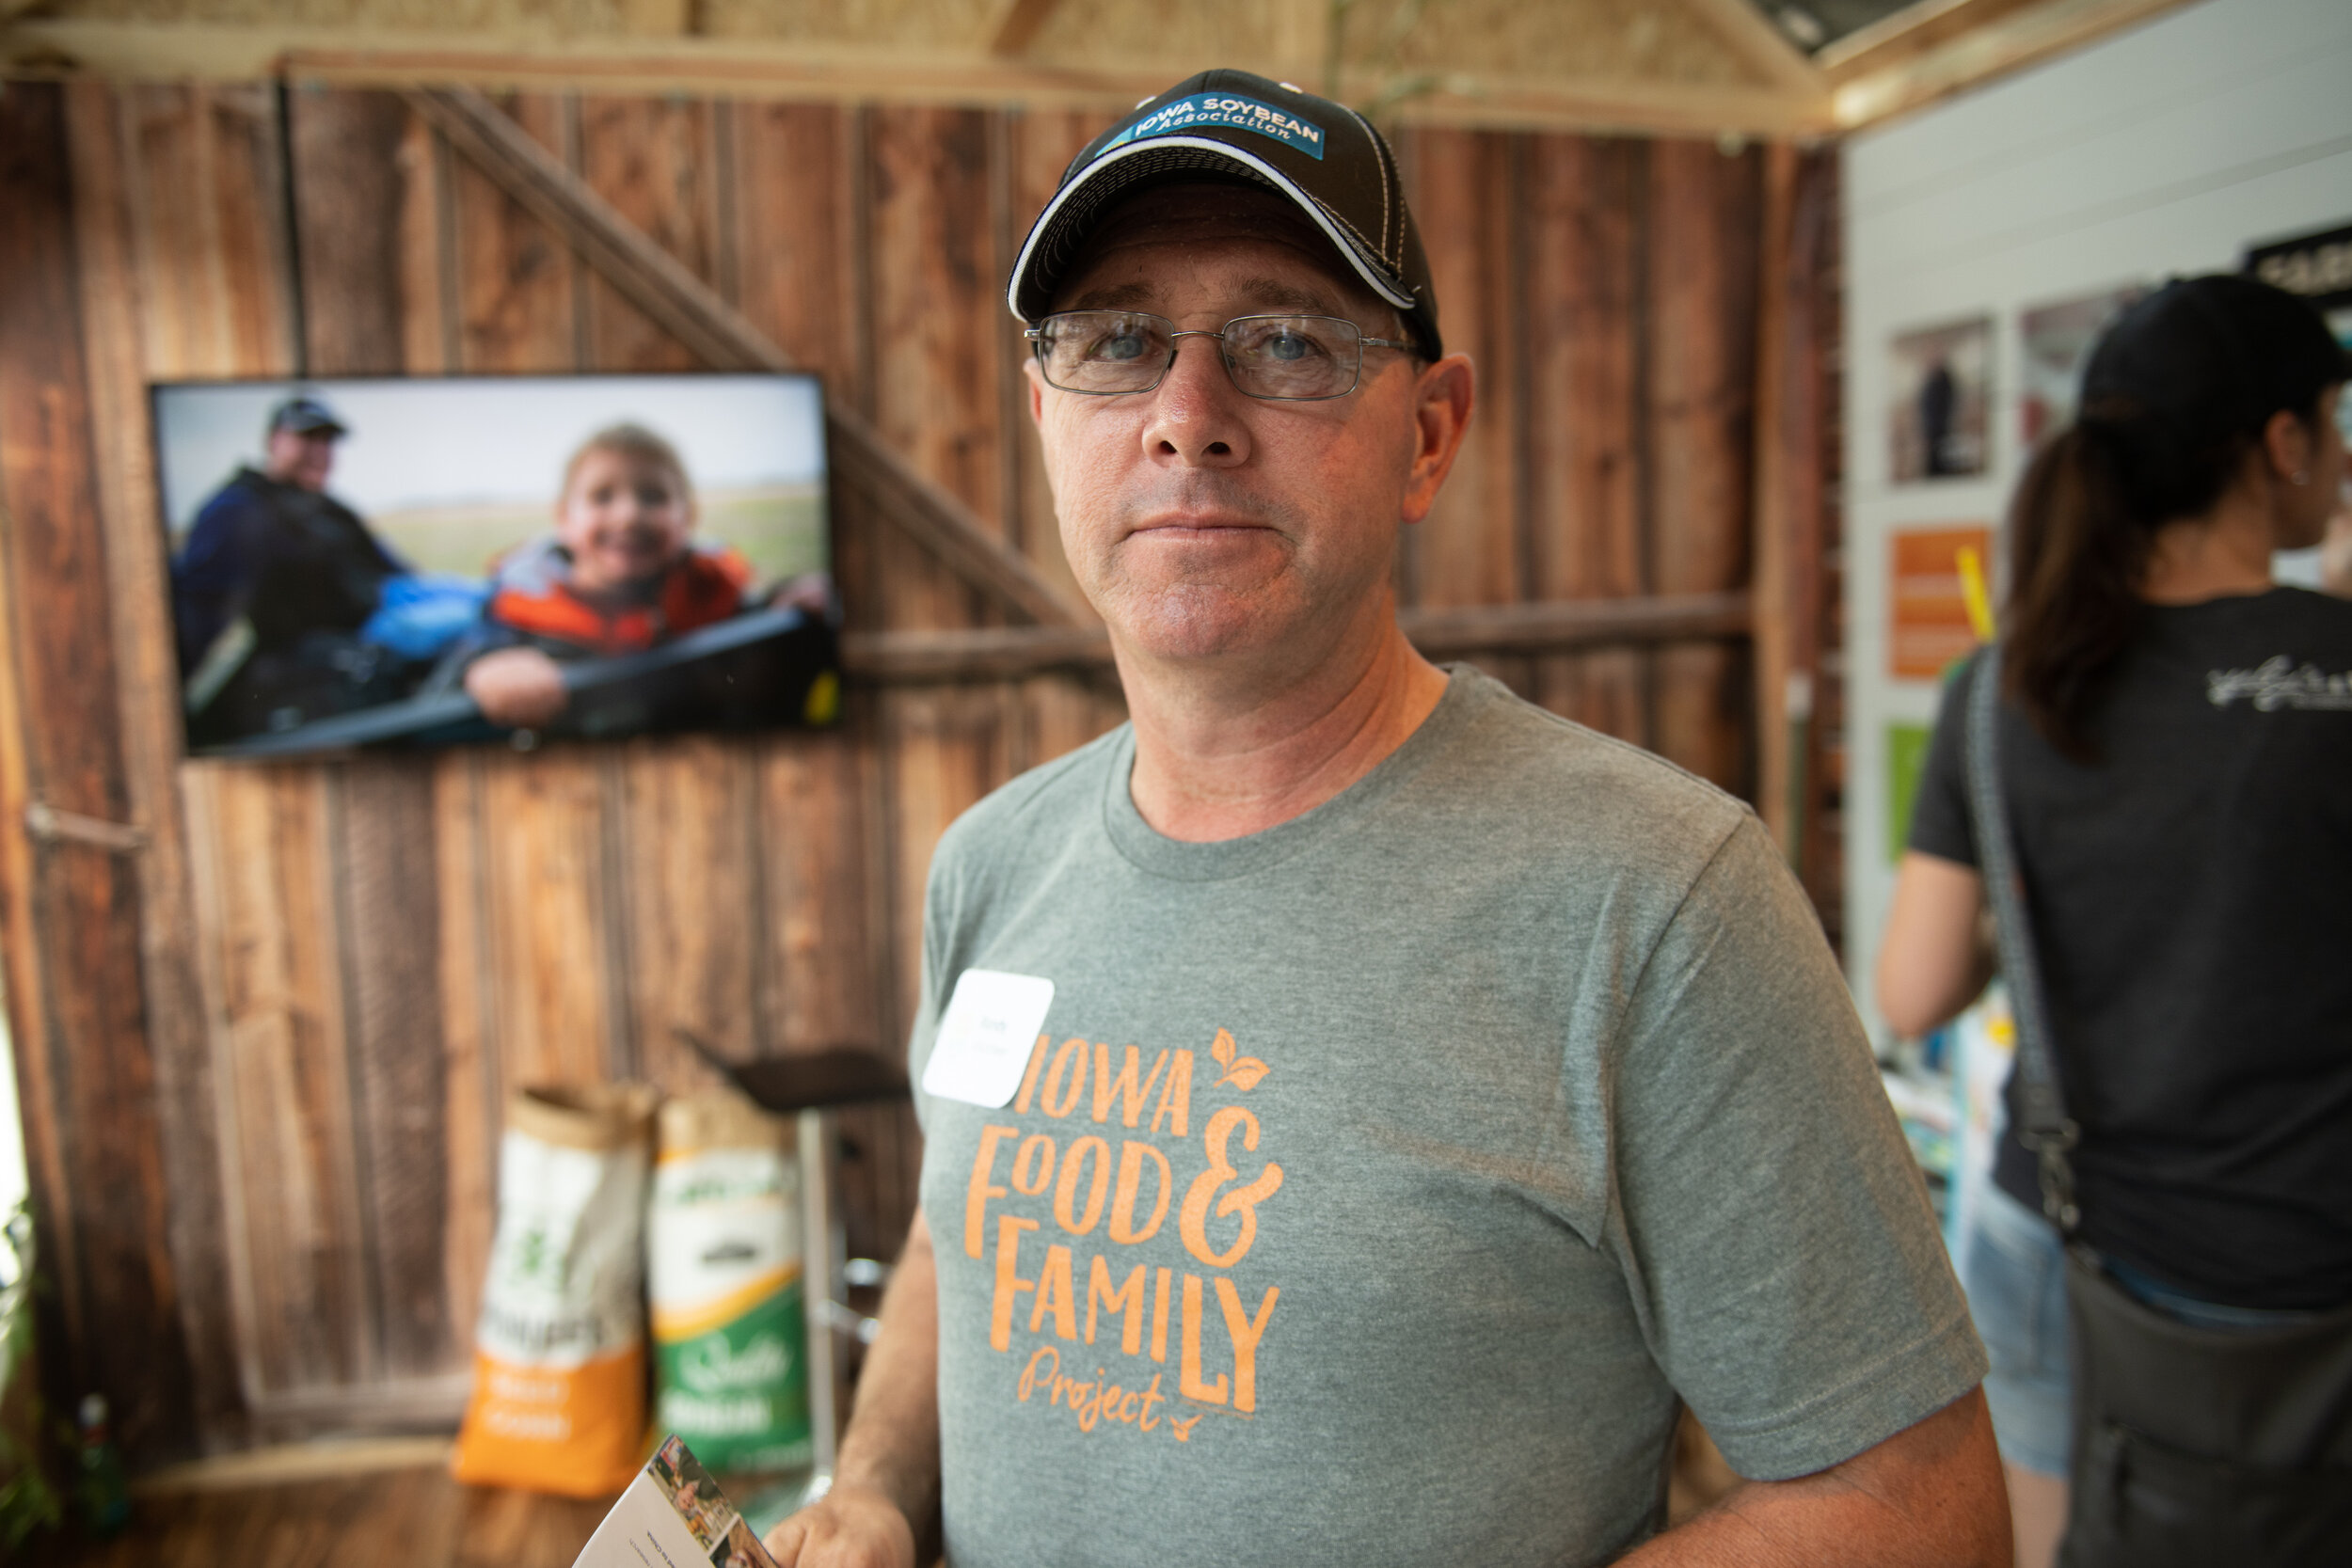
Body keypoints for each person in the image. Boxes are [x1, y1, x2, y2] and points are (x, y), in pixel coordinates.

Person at [770, 70, 2006, 1568]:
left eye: (1286, 340)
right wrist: (882, 1488)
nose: (1185, 418)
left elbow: (1921, 1510)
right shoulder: (992, 863)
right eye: (1115, 341)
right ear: (1044, 413)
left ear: (1429, 433)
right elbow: (952, 1241)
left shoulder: (1655, 899)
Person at [1878, 275, 2352, 1567]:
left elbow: (1913, 991)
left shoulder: (2002, 687)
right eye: (2336, 416)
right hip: (2303, 1262)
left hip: (2060, 1231)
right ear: (2282, 444)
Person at [443, 421, 763, 730]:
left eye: (653, 496)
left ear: (688, 517)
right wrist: (488, 668)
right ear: (564, 519)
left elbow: (761, 615)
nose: (628, 516)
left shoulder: (710, 586)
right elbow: (467, 658)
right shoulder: (522, 603)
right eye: (602, 496)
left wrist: (794, 594)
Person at [170, 395, 412, 741]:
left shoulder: (329, 507)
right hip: (357, 635)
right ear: (273, 442)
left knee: (478, 599)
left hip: (389, 602)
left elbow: (392, 567)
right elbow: (197, 609)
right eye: (307, 439)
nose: (320, 451)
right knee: (476, 613)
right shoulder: (240, 510)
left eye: (327, 442)